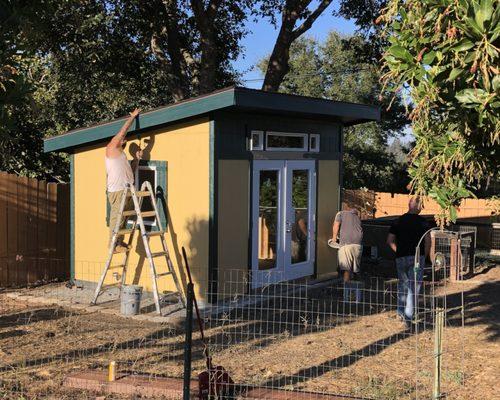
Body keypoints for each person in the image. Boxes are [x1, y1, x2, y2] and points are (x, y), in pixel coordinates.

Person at [386, 196, 431, 328]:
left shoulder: (397, 221)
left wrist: (398, 252)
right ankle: (408, 316)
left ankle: (400, 312)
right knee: (414, 287)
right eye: (421, 206)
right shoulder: (424, 222)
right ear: (417, 206)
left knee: (403, 284)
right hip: (417, 258)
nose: (421, 209)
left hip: (401, 257)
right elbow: (428, 241)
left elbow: (389, 241)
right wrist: (425, 257)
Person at [105, 108, 142, 253]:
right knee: (117, 218)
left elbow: (130, 171)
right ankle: (112, 245)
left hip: (126, 189)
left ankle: (119, 242)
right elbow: (123, 131)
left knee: (124, 218)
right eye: (123, 139)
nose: (123, 139)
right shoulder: (111, 148)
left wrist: (137, 159)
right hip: (118, 190)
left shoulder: (122, 156)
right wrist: (132, 117)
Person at [330, 205, 363, 283]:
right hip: (358, 244)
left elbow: (336, 225)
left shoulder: (340, 213)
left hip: (346, 243)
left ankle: (346, 291)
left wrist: (334, 238)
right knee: (355, 269)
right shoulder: (356, 216)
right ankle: (358, 288)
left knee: (347, 269)